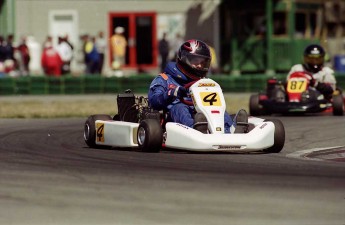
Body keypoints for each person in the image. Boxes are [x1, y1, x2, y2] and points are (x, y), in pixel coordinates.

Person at [148, 39, 248, 134]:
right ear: (184, 58)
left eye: (203, 62)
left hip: (202, 113)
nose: (200, 66)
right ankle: (196, 129)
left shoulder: (202, 81)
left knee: (218, 109)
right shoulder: (164, 79)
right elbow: (153, 101)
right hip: (173, 118)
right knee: (180, 108)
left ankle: (229, 130)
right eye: (196, 61)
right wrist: (172, 93)